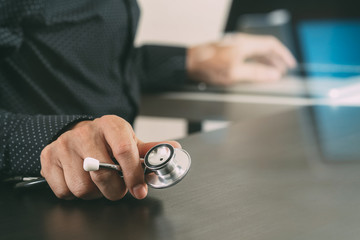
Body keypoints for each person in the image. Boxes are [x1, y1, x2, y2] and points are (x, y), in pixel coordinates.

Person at [0, 0, 296, 201]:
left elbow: (91, 62)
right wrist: (51, 140)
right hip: (29, 200)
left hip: (115, 201)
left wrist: (187, 61)